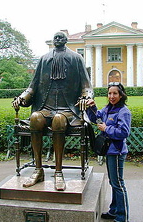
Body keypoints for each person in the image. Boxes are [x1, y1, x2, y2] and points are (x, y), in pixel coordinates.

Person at [13, 31, 93, 191]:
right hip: (45, 107)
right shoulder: (43, 59)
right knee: (35, 118)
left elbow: (86, 86)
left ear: (66, 40)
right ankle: (38, 170)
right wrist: (22, 98)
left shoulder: (76, 59)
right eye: (55, 37)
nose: (58, 39)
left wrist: (87, 97)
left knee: (58, 120)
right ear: (53, 40)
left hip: (68, 109)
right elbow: (32, 85)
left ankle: (58, 172)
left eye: (61, 37)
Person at [86, 82, 131, 222]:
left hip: (117, 152)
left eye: (115, 93)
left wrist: (107, 128)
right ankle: (114, 210)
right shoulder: (107, 109)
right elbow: (96, 119)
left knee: (118, 184)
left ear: (121, 95)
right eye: (110, 93)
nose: (112, 96)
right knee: (113, 182)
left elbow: (124, 132)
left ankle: (122, 217)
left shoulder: (123, 111)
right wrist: (91, 107)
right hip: (109, 151)